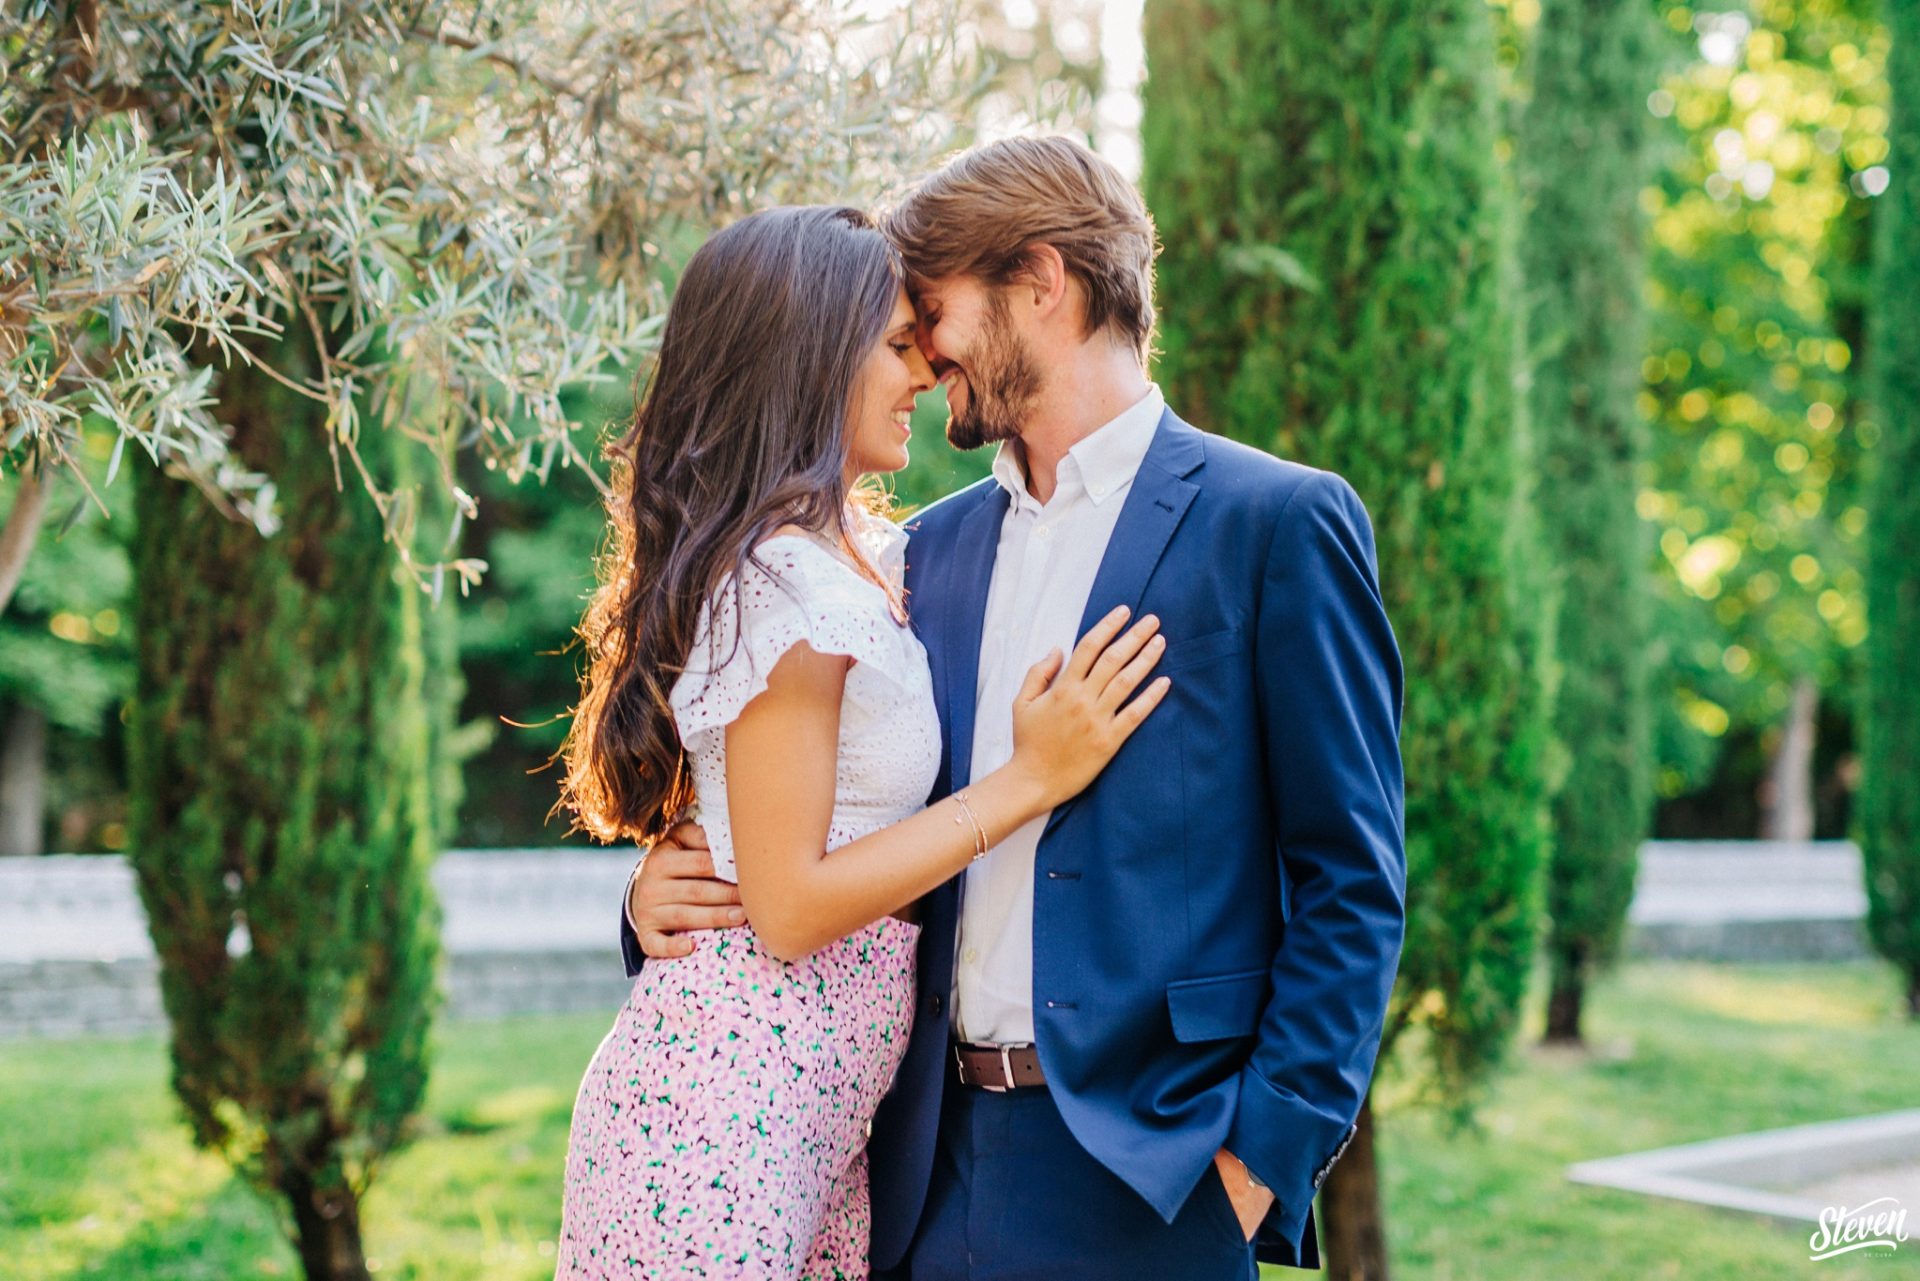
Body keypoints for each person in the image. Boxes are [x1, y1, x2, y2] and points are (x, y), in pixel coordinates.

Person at [625, 138, 1409, 1279]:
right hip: (917, 1173)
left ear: (1043, 284)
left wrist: (1257, 1169)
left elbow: (1353, 880)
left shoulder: (1276, 525)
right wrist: (657, 896)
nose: (925, 355)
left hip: (1154, 1180)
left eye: (932, 313)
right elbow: (829, 809)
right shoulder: (915, 555)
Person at [551, 204, 1171, 1280]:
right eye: (895, 347)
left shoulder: (869, 557)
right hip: (721, 1123)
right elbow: (787, 909)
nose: (926, 374)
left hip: (821, 1130)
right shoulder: (787, 586)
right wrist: (1028, 782)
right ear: (808, 364)